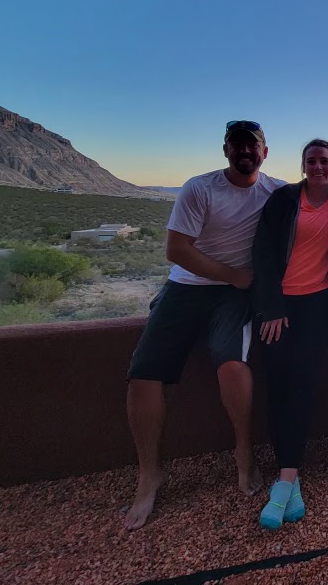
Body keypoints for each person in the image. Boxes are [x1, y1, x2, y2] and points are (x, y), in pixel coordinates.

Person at [124, 120, 284, 531]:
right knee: (143, 374)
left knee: (232, 364)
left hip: (234, 297)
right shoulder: (200, 188)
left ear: (265, 152)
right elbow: (176, 250)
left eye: (252, 145)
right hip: (188, 287)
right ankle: (149, 473)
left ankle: (243, 452)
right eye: (237, 144)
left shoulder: (276, 191)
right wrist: (234, 276)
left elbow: (317, 197)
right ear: (226, 150)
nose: (245, 151)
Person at [251, 139, 328, 529]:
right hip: (279, 306)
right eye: (312, 161)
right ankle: (289, 478)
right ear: (303, 165)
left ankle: (286, 478)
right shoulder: (285, 199)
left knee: (304, 385)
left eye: (325, 161)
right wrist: (271, 307)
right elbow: (263, 253)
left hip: (318, 305)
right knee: (278, 384)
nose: (318, 167)